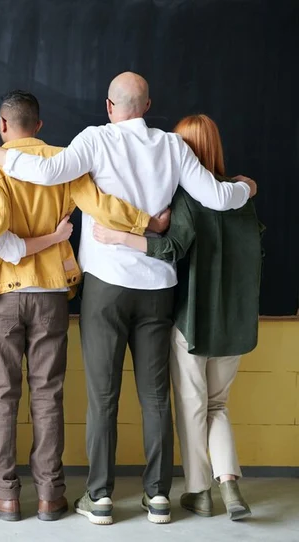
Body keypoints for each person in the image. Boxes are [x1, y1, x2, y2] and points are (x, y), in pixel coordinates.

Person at [0, 73, 256, 525]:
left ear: (109, 106)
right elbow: (219, 198)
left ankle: (99, 497)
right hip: (159, 287)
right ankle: (158, 497)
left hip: (105, 284)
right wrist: (247, 188)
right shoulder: (172, 146)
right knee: (155, 396)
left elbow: (44, 171)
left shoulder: (95, 140)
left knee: (103, 397)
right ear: (147, 105)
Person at [0, 91, 162, 523]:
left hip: (3, 294)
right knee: (48, 395)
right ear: (39, 125)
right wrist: (146, 223)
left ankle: (4, 495)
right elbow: (99, 206)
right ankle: (51, 496)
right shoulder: (63, 160)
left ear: (3, 126)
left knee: (1, 396)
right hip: (50, 291)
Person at [92, 114, 261, 521]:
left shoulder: (186, 200)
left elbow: (172, 248)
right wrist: (248, 185)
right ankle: (230, 484)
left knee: (192, 407)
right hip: (236, 326)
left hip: (191, 322)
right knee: (218, 406)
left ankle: (200, 492)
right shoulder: (242, 199)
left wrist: (120, 237)